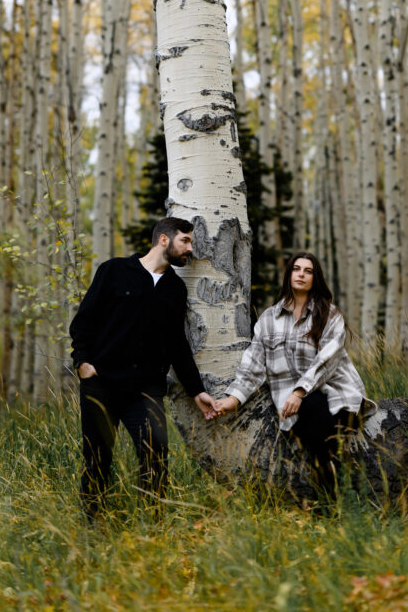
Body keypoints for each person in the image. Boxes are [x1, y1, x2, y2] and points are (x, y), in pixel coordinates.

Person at [69, 217, 217, 519]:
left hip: (145, 390)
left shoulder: (175, 289)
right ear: (164, 239)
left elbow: (177, 344)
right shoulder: (114, 271)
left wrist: (197, 390)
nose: (190, 248)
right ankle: (92, 526)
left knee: (155, 454)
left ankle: (153, 526)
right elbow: (83, 322)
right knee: (97, 458)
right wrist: (82, 363)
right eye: (185, 241)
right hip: (102, 383)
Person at [213, 251, 376, 498]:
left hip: (337, 397)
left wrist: (299, 391)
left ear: (315, 278)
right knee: (313, 419)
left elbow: (327, 360)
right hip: (293, 407)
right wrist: (232, 399)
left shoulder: (330, 314)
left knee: (316, 410)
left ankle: (334, 501)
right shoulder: (269, 320)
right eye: (296, 269)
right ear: (289, 274)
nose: (301, 274)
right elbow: (253, 366)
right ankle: (339, 500)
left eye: (308, 271)